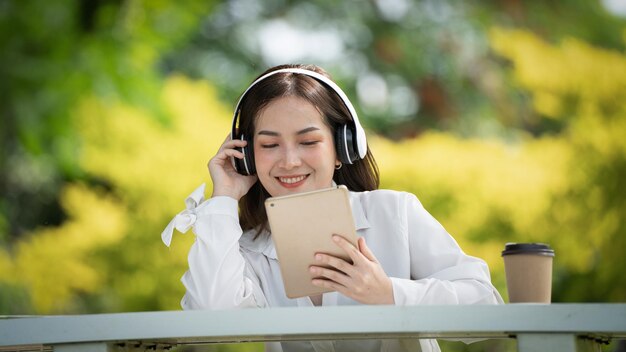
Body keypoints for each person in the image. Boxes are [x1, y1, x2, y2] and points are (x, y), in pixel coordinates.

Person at [162, 64, 503, 352]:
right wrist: (223, 197)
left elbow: (486, 309)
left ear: (343, 147)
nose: (290, 161)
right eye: (268, 145)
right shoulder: (246, 251)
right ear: (248, 156)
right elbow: (210, 317)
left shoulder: (394, 213)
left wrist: (389, 294)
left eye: (308, 141)